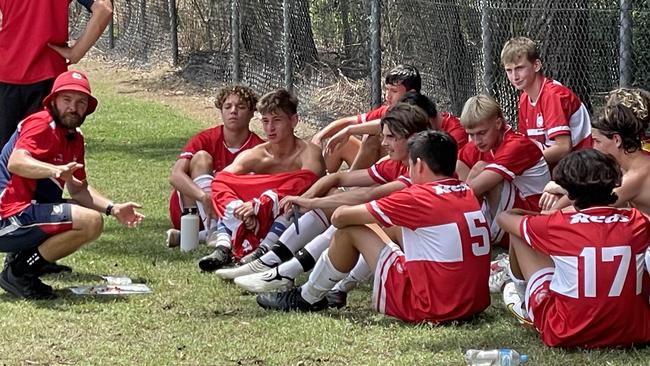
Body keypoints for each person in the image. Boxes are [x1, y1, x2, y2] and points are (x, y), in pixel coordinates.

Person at [256, 130, 491, 324]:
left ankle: (307, 297)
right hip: (471, 305)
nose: (385, 143)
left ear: (419, 165)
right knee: (393, 225)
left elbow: (340, 217)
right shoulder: (466, 191)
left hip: (435, 309)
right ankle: (336, 288)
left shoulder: (418, 196)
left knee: (350, 230)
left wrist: (320, 203)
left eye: (391, 137)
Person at [213, 104, 431, 302]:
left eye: (390, 137)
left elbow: (368, 196)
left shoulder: (418, 172)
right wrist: (308, 197)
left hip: (423, 268)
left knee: (348, 219)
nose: (384, 143)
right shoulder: (400, 164)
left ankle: (301, 278)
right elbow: (337, 178)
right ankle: (272, 261)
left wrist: (313, 201)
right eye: (266, 120)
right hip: (422, 259)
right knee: (339, 204)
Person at [0, 70, 144, 300]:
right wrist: (54, 170)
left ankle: (26, 261)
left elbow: (78, 188)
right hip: (7, 213)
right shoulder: (41, 124)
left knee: (91, 219)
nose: (73, 107)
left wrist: (113, 208)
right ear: (53, 100)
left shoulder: (74, 137)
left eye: (80, 102)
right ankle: (18, 273)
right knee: (89, 220)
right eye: (66, 100)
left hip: (25, 211)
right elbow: (17, 162)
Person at [496, 149, 650, 348]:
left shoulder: (558, 223)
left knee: (521, 234)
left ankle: (523, 300)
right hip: (634, 330)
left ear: (569, 191)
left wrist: (540, 216)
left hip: (567, 331)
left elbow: (504, 218)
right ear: (614, 182)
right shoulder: (638, 221)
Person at [197, 89, 325, 271]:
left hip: (293, 219)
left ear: (294, 121)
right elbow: (221, 181)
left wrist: (262, 202)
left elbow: (308, 182)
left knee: (292, 201)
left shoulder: (309, 152)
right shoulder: (257, 154)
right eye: (265, 121)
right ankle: (223, 248)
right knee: (226, 188)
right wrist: (243, 209)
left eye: (277, 120)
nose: (270, 128)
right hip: (253, 218)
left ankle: (264, 251)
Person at [455, 95, 551, 295]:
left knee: (483, 172)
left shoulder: (516, 145)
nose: (475, 141)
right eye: (470, 134)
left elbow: (473, 189)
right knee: (476, 168)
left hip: (531, 220)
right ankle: (467, 233)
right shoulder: (485, 144)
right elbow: (458, 166)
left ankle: (466, 234)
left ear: (498, 123)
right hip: (512, 220)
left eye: (481, 133)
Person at [0, 0, 113, 148]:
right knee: (46, 155)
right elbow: (103, 8)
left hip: (6, 73)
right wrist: (76, 53)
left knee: (6, 157)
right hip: (49, 76)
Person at [166, 86, 264, 247]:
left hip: (235, 213)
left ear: (252, 112)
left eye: (241, 107)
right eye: (228, 106)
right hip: (193, 212)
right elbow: (176, 176)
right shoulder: (205, 138)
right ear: (221, 110)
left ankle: (195, 236)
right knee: (201, 158)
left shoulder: (258, 148)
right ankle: (213, 230)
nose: (233, 111)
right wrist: (204, 197)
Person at [539, 104, 650, 214]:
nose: (594, 147)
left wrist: (560, 188)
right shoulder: (635, 162)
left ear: (617, 140)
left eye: (597, 141)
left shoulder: (634, 176)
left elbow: (589, 208)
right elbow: (590, 191)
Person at [311, 64, 421, 172]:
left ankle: (350, 182)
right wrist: (319, 137)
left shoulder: (420, 113)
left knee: (370, 137)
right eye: (387, 89)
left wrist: (349, 130)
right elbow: (350, 121)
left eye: (394, 91)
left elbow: (383, 125)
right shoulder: (388, 109)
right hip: (383, 164)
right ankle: (317, 179)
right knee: (340, 143)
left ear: (411, 93)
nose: (388, 96)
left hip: (403, 170)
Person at [501, 36, 591, 167]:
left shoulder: (552, 94)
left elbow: (563, 148)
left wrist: (523, 163)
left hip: (579, 167)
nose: (514, 76)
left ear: (536, 65)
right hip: (555, 168)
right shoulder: (524, 98)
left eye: (519, 68)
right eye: (509, 70)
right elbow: (527, 144)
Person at [324, 91, 468, 154]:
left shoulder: (456, 132)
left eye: (393, 90)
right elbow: (382, 125)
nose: (387, 95)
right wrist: (349, 130)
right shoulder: (401, 110)